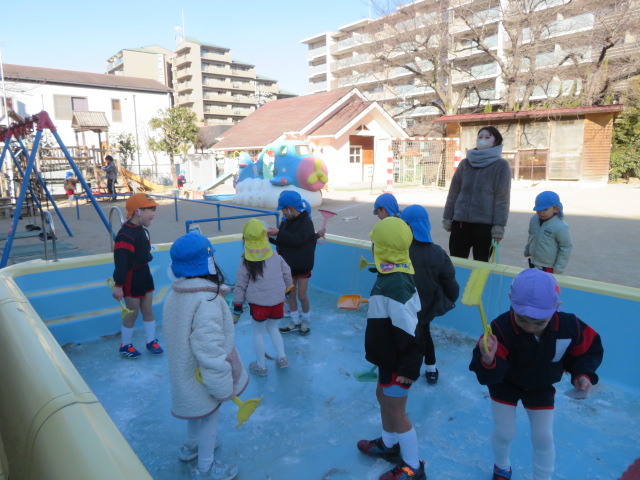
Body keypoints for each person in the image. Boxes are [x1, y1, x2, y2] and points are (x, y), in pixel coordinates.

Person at [469, 268, 603, 480]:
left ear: (556, 307)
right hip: (505, 385)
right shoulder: (499, 329)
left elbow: (586, 350)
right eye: (523, 319)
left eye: (539, 322)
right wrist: (488, 359)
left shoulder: (570, 326)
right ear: (511, 301)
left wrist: (582, 374)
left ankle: (543, 477)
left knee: (543, 438)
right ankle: (502, 466)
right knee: (504, 433)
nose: (530, 327)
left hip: (541, 386)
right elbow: (486, 374)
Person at [163, 232, 247, 480]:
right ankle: (206, 467)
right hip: (203, 378)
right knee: (210, 416)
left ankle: (190, 446)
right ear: (209, 263)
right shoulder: (206, 301)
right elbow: (209, 350)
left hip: (185, 373)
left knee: (195, 410)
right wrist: (221, 386)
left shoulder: (176, 295)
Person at [357, 217, 426, 480]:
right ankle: (389, 444)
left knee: (397, 410)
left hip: (400, 364)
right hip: (388, 358)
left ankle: (412, 466)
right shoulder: (389, 272)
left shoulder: (397, 283)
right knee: (383, 397)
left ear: (381, 248)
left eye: (374, 243)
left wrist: (409, 368)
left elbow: (410, 330)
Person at [400, 205, 459, 384]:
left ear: (407, 227)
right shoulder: (438, 253)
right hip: (427, 307)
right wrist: (448, 300)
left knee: (406, 337)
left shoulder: (401, 251)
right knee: (425, 335)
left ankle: (406, 371)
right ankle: (431, 369)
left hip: (405, 306)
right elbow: (450, 283)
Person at [233, 219, 293, 376]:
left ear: (245, 239)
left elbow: (240, 285)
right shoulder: (275, 255)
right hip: (277, 302)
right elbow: (287, 273)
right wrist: (287, 291)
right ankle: (282, 358)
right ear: (265, 237)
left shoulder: (245, 261)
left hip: (259, 306)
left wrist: (237, 308)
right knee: (273, 328)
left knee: (258, 333)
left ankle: (261, 366)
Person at [443, 126, 511, 262]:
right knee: (457, 262)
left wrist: (498, 227)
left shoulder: (501, 165)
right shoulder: (465, 163)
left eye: (487, 137)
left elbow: (502, 199)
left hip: (485, 226)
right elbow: (454, 192)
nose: (483, 140)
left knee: (481, 265)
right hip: (460, 223)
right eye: (480, 137)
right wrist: (447, 217)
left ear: (496, 141)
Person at [111, 193, 163, 359]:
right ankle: (125, 344)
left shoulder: (143, 231)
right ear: (137, 211)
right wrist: (119, 285)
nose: (154, 214)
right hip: (131, 278)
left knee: (148, 309)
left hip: (144, 274)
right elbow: (121, 263)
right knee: (132, 314)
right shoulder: (125, 236)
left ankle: (151, 340)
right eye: (150, 210)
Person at [267, 190, 324, 336]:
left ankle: (306, 319)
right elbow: (285, 241)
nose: (283, 214)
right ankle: (294, 320)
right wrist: (269, 238)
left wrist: (279, 233)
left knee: (302, 295)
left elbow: (297, 239)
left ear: (290, 209)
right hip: (289, 265)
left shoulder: (306, 223)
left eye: (283, 210)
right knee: (290, 294)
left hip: (303, 265)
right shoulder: (287, 222)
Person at [525, 191, 572, 275]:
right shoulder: (534, 220)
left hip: (548, 267)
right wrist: (528, 249)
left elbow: (565, 247)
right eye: (538, 210)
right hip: (533, 262)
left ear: (556, 209)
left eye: (545, 209)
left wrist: (559, 268)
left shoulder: (560, 226)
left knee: (546, 286)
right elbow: (531, 235)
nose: (541, 213)